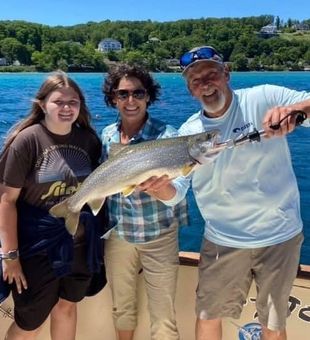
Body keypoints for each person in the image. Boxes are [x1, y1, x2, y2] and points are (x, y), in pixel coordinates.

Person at [178, 45, 310, 340]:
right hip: (222, 240)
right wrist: (160, 188)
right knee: (208, 316)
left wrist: (297, 111)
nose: (205, 84)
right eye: (196, 80)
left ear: (227, 73)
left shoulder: (264, 97)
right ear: (190, 90)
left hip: (280, 237)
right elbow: (175, 191)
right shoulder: (187, 133)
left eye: (211, 74)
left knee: (274, 325)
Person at [0, 71, 106, 340]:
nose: (67, 108)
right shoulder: (27, 141)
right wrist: (10, 257)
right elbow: (7, 201)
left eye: (74, 102)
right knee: (30, 322)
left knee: (67, 307)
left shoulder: (89, 141)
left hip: (79, 244)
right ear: (42, 104)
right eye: (59, 102)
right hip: (36, 249)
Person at [101, 63, 189, 340]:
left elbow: (179, 191)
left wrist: (161, 190)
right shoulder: (107, 136)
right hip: (118, 235)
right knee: (122, 308)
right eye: (123, 94)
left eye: (138, 93)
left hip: (159, 235)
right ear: (113, 98)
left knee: (164, 315)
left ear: (148, 96)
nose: (131, 101)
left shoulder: (169, 137)